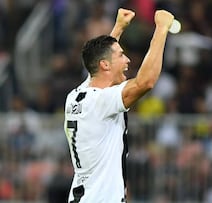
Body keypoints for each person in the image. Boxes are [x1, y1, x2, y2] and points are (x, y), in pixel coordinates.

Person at [63, 7, 174, 203]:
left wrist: (118, 28)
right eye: (122, 55)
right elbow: (145, 82)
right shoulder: (102, 101)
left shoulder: (75, 96)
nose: (128, 60)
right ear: (105, 65)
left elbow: (96, 63)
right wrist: (161, 29)